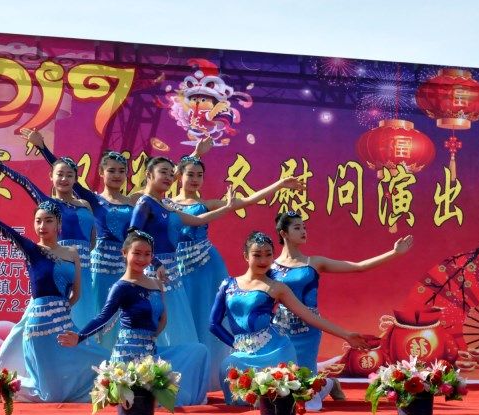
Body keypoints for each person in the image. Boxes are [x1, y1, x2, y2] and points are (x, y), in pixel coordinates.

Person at [21, 130, 211, 346]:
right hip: (99, 271)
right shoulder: (93, 200)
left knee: (125, 320)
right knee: (98, 316)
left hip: (125, 270)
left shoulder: (135, 201)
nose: (117, 175)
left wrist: (196, 154)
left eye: (122, 171)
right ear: (101, 173)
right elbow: (64, 173)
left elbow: (165, 176)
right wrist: (42, 148)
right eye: (111, 170)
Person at [172, 154, 306, 390]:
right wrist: (196, 153)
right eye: (190, 174)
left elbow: (247, 201)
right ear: (179, 175)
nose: (194, 179)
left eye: (199, 175)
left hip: (205, 267)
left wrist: (279, 184)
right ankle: (181, 378)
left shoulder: (208, 205)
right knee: (181, 321)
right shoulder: (164, 204)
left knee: (205, 319)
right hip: (176, 268)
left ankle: (208, 379)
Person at [0, 199, 107, 402]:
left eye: (48, 220)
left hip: (64, 327)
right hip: (39, 329)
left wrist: (60, 311)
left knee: (101, 360)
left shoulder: (72, 253)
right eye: (38, 221)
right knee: (49, 395)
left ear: (59, 224)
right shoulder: (32, 251)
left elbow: (76, 294)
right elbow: (7, 231)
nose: (42, 226)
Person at [270, 211, 414, 410]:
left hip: (308, 330)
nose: (303, 231)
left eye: (304, 227)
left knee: (307, 401)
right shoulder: (271, 268)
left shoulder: (314, 263)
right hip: (280, 330)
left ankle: (327, 384)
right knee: (283, 386)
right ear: (283, 233)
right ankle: (327, 384)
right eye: (297, 228)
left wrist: (394, 253)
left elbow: (358, 267)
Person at [209, 231, 373, 404]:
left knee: (286, 401)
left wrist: (346, 334)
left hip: (275, 353)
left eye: (268, 255)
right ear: (246, 256)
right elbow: (214, 324)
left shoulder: (277, 288)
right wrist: (236, 344)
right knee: (233, 380)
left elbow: (308, 316)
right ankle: (324, 384)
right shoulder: (228, 285)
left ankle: (326, 384)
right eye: (257, 255)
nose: (263, 260)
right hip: (241, 355)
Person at [58, 229, 209, 406]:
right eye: (136, 253)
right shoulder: (121, 287)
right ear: (124, 253)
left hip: (150, 353)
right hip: (127, 356)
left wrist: (149, 340)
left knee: (199, 351)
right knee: (137, 403)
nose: (142, 259)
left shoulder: (157, 284)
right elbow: (103, 317)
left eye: (147, 254)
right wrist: (80, 336)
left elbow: (162, 319)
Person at [129, 156, 236, 346]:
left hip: (172, 272)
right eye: (163, 172)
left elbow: (199, 220)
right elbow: (134, 235)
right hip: (156, 272)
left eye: (171, 174)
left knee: (179, 326)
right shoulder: (145, 203)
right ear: (149, 174)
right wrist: (154, 262)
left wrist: (228, 207)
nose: (168, 177)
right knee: (162, 324)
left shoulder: (163, 206)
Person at [0, 153, 97, 328]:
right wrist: (0, 166)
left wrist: (80, 257)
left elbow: (92, 239)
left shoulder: (85, 205)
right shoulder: (49, 203)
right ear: (51, 176)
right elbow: (25, 182)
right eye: (60, 174)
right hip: (59, 265)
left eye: (69, 175)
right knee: (46, 318)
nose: (64, 179)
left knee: (84, 320)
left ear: (76, 179)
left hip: (84, 269)